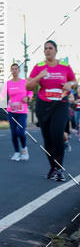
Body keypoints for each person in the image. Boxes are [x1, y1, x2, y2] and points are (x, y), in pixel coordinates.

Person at [27, 41, 76, 181]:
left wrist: (69, 84)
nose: (47, 50)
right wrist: (39, 77)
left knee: (57, 135)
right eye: (45, 49)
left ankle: (60, 168)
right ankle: (53, 167)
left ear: (56, 51)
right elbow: (28, 86)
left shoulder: (65, 66)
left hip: (60, 104)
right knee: (47, 139)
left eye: (50, 48)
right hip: (43, 106)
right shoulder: (39, 67)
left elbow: (74, 81)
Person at [4, 63, 32, 161]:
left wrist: (28, 98)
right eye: (12, 69)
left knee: (20, 132)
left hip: (22, 111)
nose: (14, 71)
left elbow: (30, 91)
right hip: (12, 111)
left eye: (16, 69)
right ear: (11, 71)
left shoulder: (24, 82)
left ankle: (24, 150)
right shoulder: (8, 83)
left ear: (19, 71)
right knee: (14, 133)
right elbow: (2, 94)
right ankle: (16, 153)